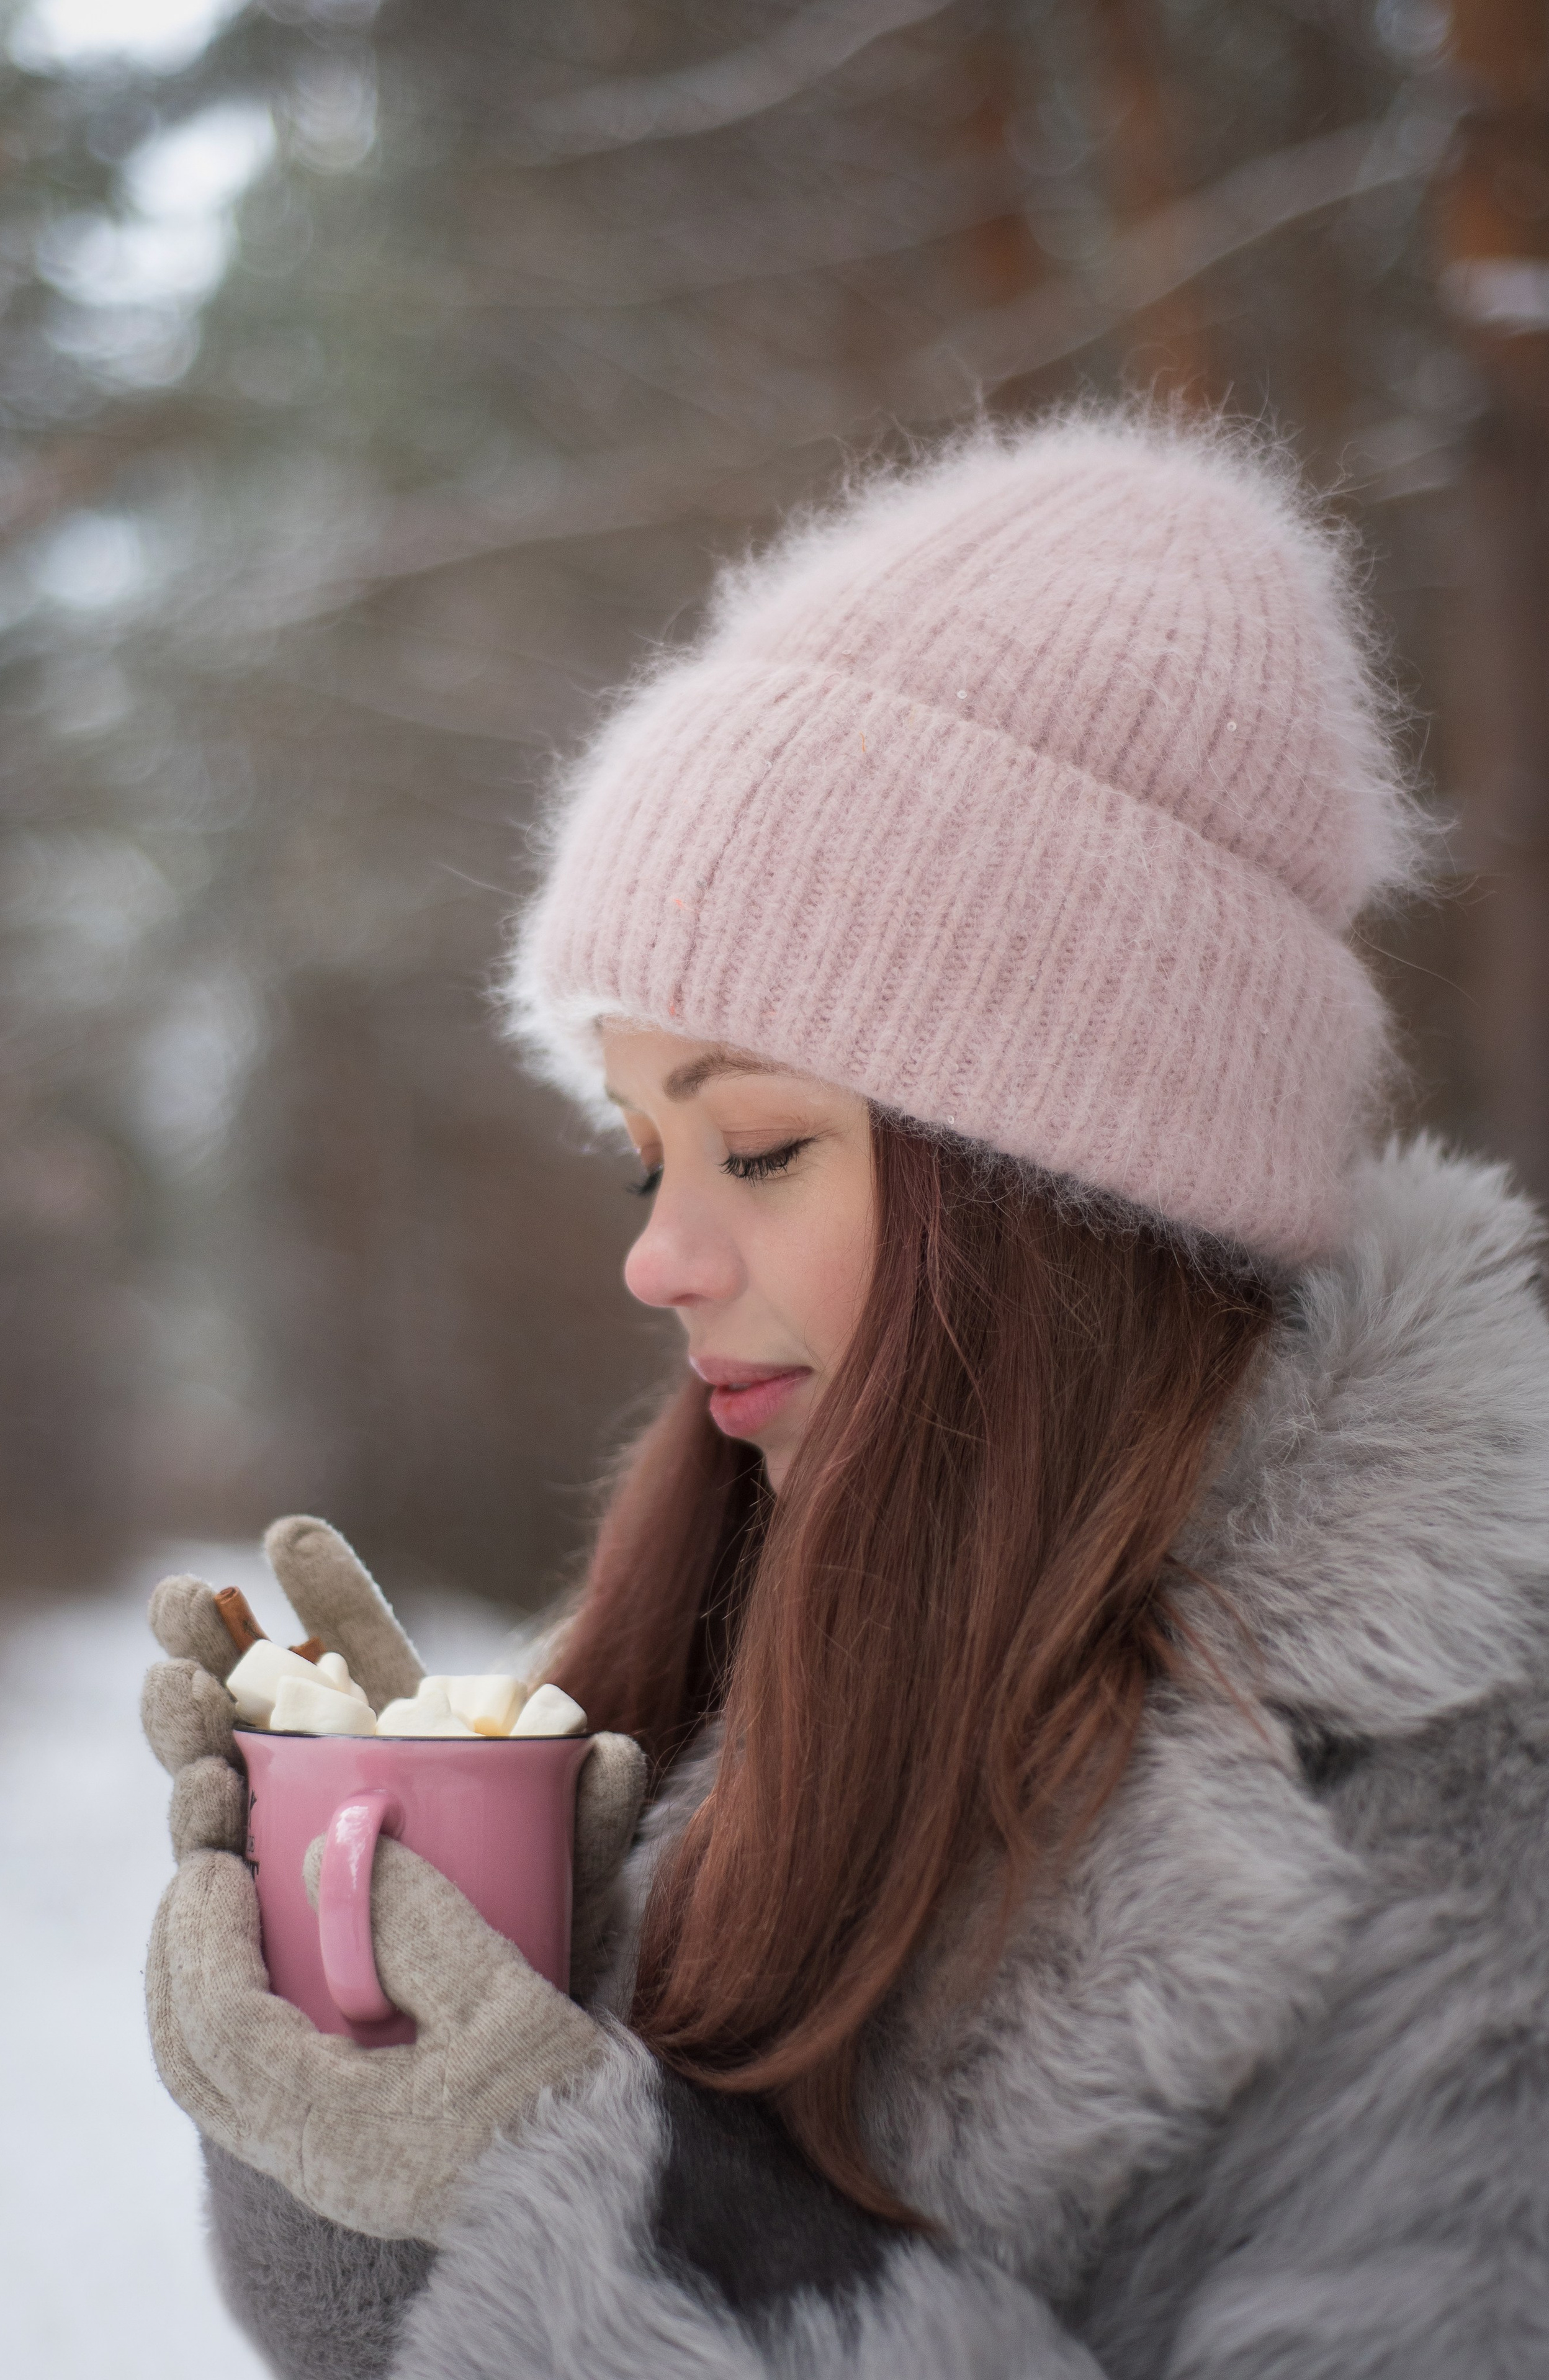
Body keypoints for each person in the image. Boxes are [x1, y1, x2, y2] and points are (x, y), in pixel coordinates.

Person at [141, 411, 1549, 2380]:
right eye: (649, 1154)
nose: (659, 1256)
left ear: (1062, 1191)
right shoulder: (730, 1655)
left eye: (764, 1148)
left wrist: (583, 2200)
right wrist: (373, 2048)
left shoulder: (1466, 1814)